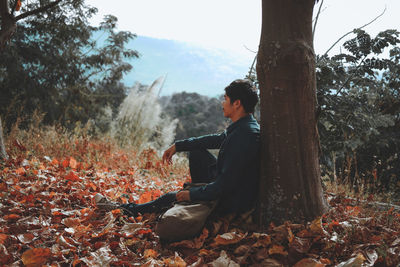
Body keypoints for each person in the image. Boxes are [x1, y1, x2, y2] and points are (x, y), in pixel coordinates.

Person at [96, 79, 260, 217]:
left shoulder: (244, 137)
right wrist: (179, 146)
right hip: (226, 187)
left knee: (169, 197)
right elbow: (215, 140)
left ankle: (124, 210)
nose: (222, 103)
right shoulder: (244, 127)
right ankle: (195, 198)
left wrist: (192, 195)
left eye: (225, 99)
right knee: (196, 151)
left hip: (230, 202)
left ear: (237, 103)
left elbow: (226, 184)